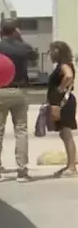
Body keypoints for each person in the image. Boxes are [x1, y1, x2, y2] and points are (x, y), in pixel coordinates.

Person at [0, 20, 37, 182]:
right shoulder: (23, 47)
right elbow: (34, 56)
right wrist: (20, 39)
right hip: (19, 90)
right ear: (16, 30)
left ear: (1, 30)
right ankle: (22, 171)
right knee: (21, 131)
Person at [46, 41, 77, 177]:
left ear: (58, 51)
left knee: (66, 133)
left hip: (62, 102)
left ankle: (72, 167)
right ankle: (70, 165)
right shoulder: (61, 65)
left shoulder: (64, 65)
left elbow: (68, 75)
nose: (50, 54)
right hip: (60, 101)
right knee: (64, 133)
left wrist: (60, 89)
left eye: (51, 51)